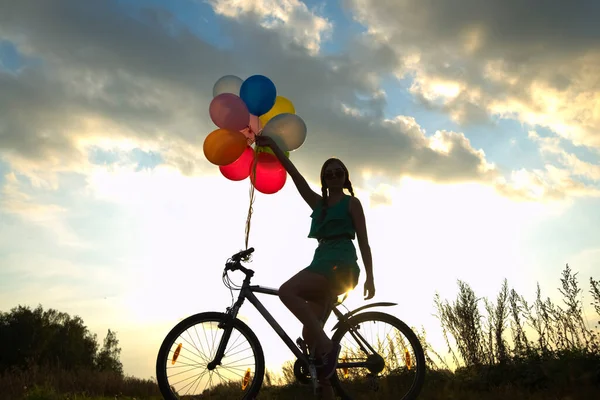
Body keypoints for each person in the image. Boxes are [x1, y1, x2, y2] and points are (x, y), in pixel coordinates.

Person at [254, 135, 375, 390]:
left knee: (287, 291)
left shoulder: (351, 203)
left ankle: (329, 346)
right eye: (329, 173)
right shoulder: (319, 205)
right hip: (320, 266)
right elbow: (296, 178)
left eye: (338, 171)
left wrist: (370, 277)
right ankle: (326, 379)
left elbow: (364, 241)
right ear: (324, 179)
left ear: (345, 177)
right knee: (311, 338)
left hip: (340, 266)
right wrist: (275, 147)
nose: (333, 175)